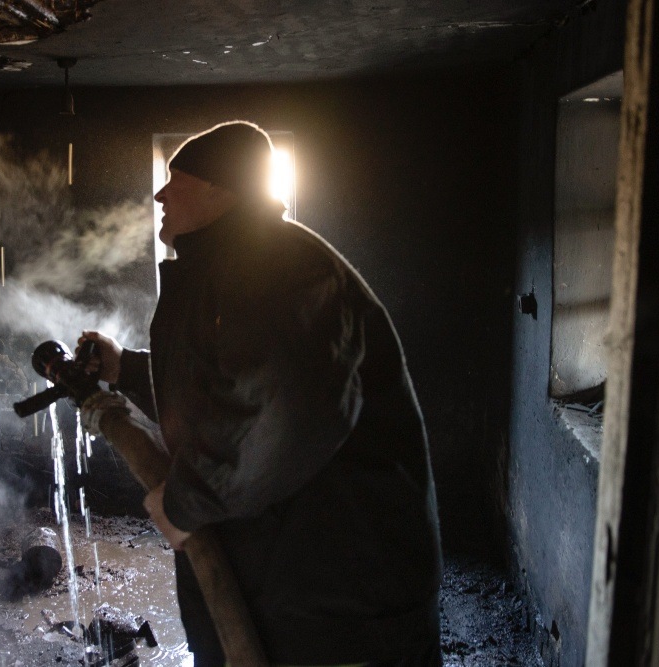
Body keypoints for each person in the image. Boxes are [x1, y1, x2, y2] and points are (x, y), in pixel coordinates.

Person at [80, 121, 442, 666]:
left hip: (337, 602)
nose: (160, 195)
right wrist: (124, 368)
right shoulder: (235, 266)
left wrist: (185, 502)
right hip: (287, 588)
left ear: (218, 186)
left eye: (176, 178)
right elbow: (228, 388)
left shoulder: (279, 266)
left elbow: (277, 413)